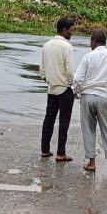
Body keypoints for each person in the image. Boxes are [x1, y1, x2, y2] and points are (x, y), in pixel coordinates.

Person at [73, 30, 107, 173]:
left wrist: (76, 92)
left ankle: (91, 163)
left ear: (94, 41)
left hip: (87, 96)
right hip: (105, 97)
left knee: (88, 129)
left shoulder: (88, 57)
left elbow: (78, 78)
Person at [40, 17, 76, 162]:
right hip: (64, 88)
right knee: (64, 121)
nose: (72, 33)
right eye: (71, 30)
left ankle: (45, 149)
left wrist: (48, 79)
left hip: (51, 87)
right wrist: (71, 84)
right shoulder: (67, 47)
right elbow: (70, 71)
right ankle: (61, 152)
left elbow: (42, 69)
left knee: (49, 119)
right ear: (64, 30)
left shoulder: (46, 45)